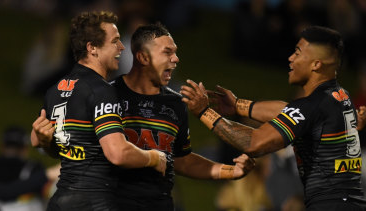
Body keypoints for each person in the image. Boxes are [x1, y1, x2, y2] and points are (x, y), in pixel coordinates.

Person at [33, 22, 256, 211]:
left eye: (175, 52)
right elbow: (70, 148)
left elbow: (181, 159)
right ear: (142, 57)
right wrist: (46, 140)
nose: (176, 59)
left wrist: (230, 171)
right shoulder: (104, 95)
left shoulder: (175, 104)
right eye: (167, 52)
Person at [180, 25, 366, 210]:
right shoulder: (339, 97)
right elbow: (288, 110)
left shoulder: (313, 106)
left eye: (298, 53)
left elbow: (253, 143)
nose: (290, 58)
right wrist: (238, 105)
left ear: (316, 64)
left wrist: (205, 113)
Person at [31, 11, 167, 211]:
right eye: (115, 41)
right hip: (94, 201)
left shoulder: (56, 90)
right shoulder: (101, 91)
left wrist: (46, 142)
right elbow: (117, 153)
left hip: (60, 201)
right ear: (92, 48)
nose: (122, 47)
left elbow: (40, 140)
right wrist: (153, 158)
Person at [0, 126, 49, 211]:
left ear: (2, 147)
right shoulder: (34, 168)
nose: (12, 152)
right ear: (25, 149)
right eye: (10, 148)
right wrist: (47, 175)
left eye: (16, 149)